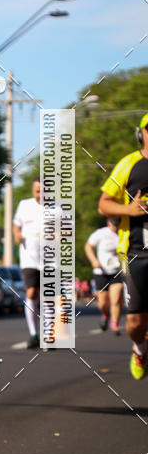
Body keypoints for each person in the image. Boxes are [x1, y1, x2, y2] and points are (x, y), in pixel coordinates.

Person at [98, 113, 148, 378]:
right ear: (141, 134)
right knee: (135, 322)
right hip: (136, 252)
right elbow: (104, 204)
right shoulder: (129, 164)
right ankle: (140, 348)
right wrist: (129, 209)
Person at [13, 178, 42, 348]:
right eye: (37, 190)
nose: (39, 193)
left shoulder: (57, 208)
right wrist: (17, 235)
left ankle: (48, 334)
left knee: (47, 297)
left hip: (50, 260)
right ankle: (33, 334)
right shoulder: (24, 205)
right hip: (29, 258)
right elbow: (16, 226)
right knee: (31, 293)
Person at [84, 218, 123, 334]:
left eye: (117, 224)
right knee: (103, 303)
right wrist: (94, 261)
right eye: (113, 224)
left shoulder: (124, 233)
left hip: (117, 271)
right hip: (101, 272)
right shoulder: (100, 233)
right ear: (108, 222)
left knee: (116, 299)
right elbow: (88, 247)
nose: (115, 227)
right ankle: (106, 314)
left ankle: (114, 324)